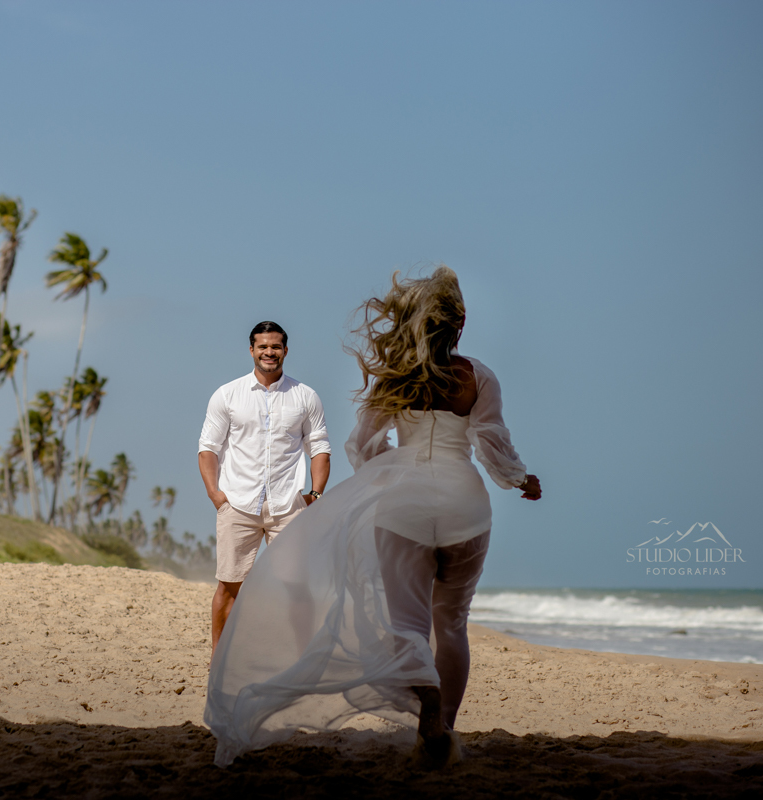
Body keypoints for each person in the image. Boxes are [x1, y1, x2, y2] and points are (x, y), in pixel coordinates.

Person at [204, 268, 540, 768]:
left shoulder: (395, 378)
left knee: (407, 622)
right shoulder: (478, 376)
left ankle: (423, 692)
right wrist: (519, 480)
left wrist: (387, 474)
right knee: (451, 622)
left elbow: (361, 445)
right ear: (459, 324)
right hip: (466, 508)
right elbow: (492, 444)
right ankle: (442, 728)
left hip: (403, 509)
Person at [198, 321, 331, 657]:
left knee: (297, 587)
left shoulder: (305, 396)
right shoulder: (227, 394)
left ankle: (299, 658)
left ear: (286, 350)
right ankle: (220, 660)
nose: (269, 352)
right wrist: (217, 495)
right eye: (263, 347)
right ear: (251, 350)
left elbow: (320, 448)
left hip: (288, 506)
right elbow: (207, 448)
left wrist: (314, 493)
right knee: (230, 586)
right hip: (238, 504)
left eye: (275, 347)